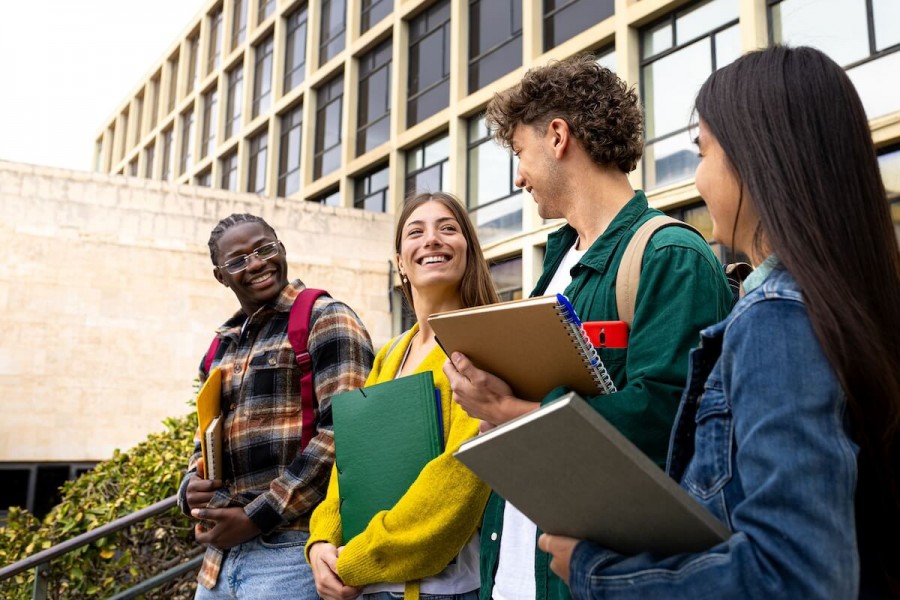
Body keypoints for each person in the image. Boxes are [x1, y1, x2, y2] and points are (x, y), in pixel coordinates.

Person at [539, 45, 900, 598]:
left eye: (701, 151)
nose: (699, 178)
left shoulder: (777, 319)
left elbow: (794, 576)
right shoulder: (838, 304)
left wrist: (597, 572)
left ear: (758, 159)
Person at [443, 54, 734, 599]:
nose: (517, 175)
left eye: (519, 152)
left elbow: (665, 420)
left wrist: (507, 413)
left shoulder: (671, 255)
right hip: (513, 576)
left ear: (557, 136)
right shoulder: (554, 267)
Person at [306, 192, 500, 600]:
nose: (432, 239)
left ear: (468, 250)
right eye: (417, 231)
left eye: (448, 228)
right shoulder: (391, 353)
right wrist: (323, 539)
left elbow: (463, 474)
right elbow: (354, 462)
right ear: (400, 261)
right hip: (368, 583)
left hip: (440, 590)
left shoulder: (483, 340)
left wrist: (358, 559)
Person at [177, 213, 375, 598]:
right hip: (217, 564)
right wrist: (188, 489)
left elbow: (346, 434)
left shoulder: (325, 317)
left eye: (264, 249)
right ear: (221, 275)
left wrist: (256, 516)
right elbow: (205, 439)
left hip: (291, 555)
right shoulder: (222, 346)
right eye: (237, 260)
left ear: (280, 249)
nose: (255, 263)